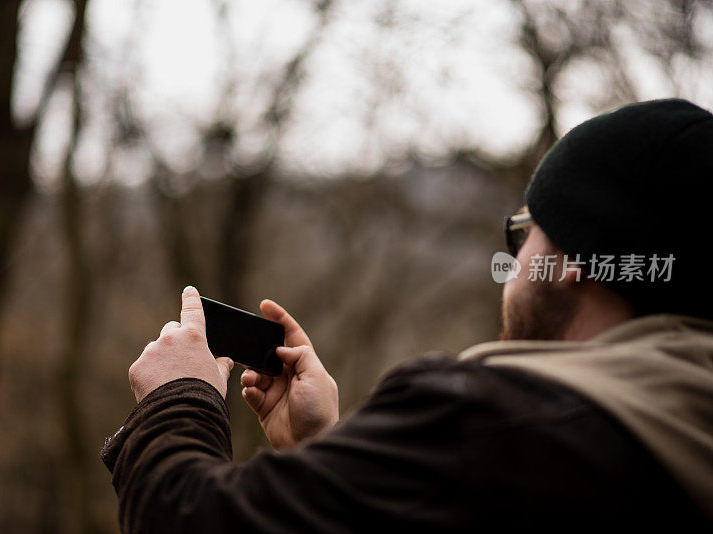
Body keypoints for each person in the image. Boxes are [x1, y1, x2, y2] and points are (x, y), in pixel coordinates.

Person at [101, 99, 713, 532]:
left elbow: (188, 519)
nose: (516, 257)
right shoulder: (679, 435)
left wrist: (177, 399)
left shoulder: (487, 423)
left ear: (577, 255)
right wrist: (322, 454)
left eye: (522, 231)